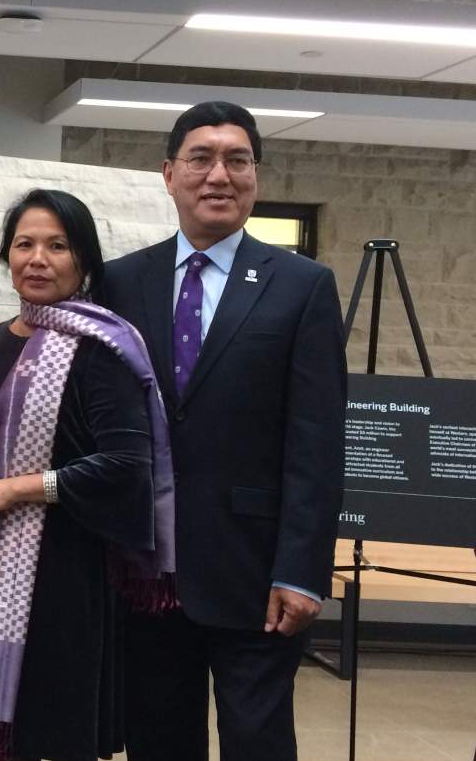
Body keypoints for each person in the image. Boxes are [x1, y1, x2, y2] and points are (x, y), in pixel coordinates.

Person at [100, 101, 347, 761]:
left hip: (257, 573)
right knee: (158, 742)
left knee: (256, 742)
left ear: (256, 176)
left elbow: (317, 443)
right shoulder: (121, 281)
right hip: (148, 574)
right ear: (168, 173)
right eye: (201, 159)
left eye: (237, 160)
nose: (220, 174)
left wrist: (302, 569)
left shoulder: (302, 286)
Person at [0, 189, 175, 761]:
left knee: (54, 733)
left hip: (67, 575)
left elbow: (124, 466)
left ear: (83, 262)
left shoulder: (102, 347)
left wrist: (14, 489)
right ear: (7, 256)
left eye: (57, 246)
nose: (38, 258)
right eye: (24, 244)